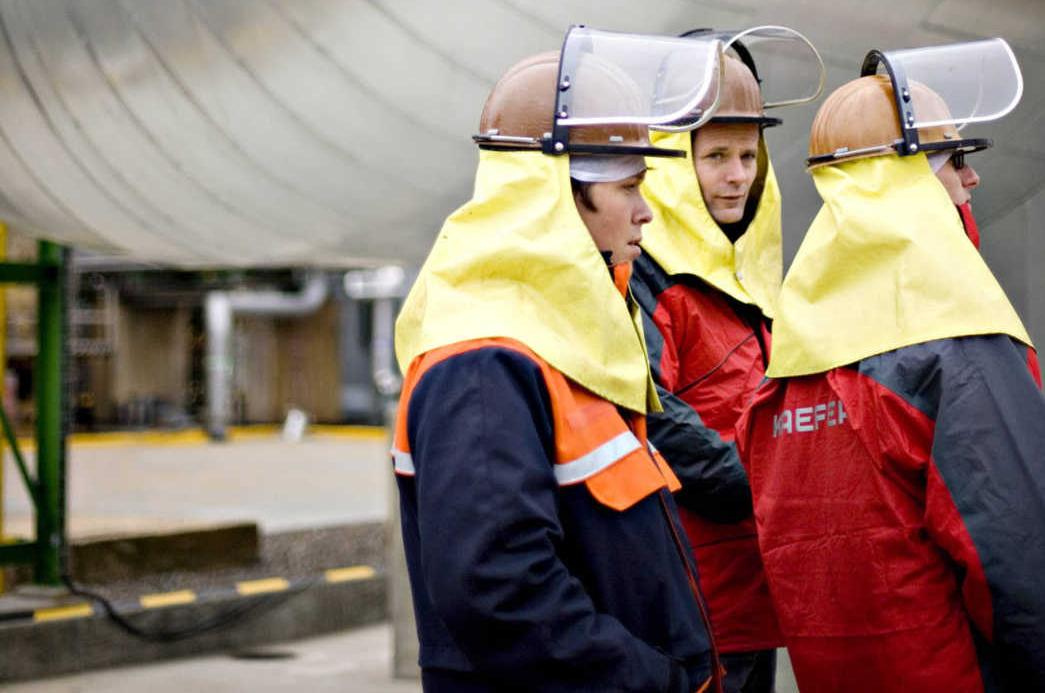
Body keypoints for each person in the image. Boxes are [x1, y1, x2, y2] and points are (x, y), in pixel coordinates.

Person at [392, 29, 725, 692]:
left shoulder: (559, 340)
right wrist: (652, 681)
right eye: (627, 187)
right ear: (555, 194)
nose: (645, 212)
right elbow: (499, 590)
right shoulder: (483, 363)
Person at [735, 40, 1045, 692]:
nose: (971, 178)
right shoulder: (957, 343)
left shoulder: (786, 367)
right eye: (953, 158)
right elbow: (1019, 561)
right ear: (901, 178)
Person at [632, 31, 822, 692]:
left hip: (749, 589)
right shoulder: (649, 278)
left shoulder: (746, 275)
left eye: (747, 154)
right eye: (714, 155)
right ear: (668, 162)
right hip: (696, 593)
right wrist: (764, 485)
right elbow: (650, 409)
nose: (737, 174)